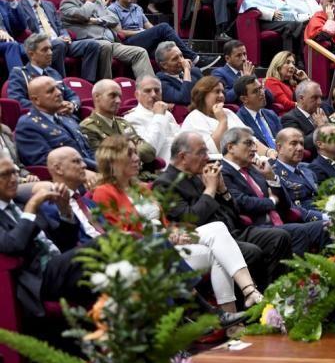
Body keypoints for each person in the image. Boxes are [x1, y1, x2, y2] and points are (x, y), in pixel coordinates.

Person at [91, 135, 260, 315]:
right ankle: (238, 306)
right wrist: (165, 237)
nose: (137, 158)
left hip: (170, 245)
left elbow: (164, 223)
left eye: (136, 153)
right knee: (218, 246)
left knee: (218, 235)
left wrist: (175, 232)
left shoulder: (141, 188)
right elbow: (121, 236)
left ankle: (237, 308)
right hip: (149, 256)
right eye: (130, 153)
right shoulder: (103, 192)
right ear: (113, 159)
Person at [156, 131, 292, 289]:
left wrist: (223, 191)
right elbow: (191, 218)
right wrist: (211, 190)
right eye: (201, 152)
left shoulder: (198, 173)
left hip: (234, 230)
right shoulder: (165, 183)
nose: (207, 157)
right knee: (251, 252)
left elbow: (234, 213)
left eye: (206, 151)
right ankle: (255, 305)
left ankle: (277, 293)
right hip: (209, 241)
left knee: (279, 237)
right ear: (183, 157)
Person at [0, 155, 94, 318]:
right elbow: (13, 246)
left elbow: (65, 241)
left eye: (15, 172)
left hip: (59, 265)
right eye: (5, 174)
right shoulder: (29, 204)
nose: (14, 179)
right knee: (108, 246)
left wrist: (65, 211)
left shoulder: (20, 202)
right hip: (38, 278)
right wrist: (31, 209)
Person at [221, 127, 329, 257]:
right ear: (231, 147)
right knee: (304, 231)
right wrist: (272, 201)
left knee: (327, 226)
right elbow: (242, 202)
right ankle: (298, 274)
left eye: (254, 144)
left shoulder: (255, 169)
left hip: (279, 224)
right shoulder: (223, 171)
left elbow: (285, 204)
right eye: (248, 143)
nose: (255, 149)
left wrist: (271, 178)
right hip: (255, 228)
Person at [60, 0, 155, 80]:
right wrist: (89, 2)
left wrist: (96, 20)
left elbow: (114, 19)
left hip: (112, 42)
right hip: (91, 42)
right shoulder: (67, 4)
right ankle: (106, 87)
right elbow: (83, 15)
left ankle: (148, 89)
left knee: (140, 53)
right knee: (106, 46)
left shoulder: (98, 3)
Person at [107, 0, 217, 69]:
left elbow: (149, 26)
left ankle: (189, 70)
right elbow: (120, 33)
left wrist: (152, 33)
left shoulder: (137, 8)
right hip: (127, 44)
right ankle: (195, 58)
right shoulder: (112, 9)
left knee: (168, 49)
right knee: (163, 27)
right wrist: (142, 32)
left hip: (143, 40)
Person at [19, 0, 103, 82]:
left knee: (92, 45)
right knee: (59, 44)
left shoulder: (49, 5)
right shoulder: (19, 6)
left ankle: (87, 83)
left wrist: (65, 35)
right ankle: (60, 83)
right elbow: (26, 32)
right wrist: (51, 40)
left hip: (61, 41)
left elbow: (60, 26)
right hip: (41, 44)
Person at [15, 76, 96, 170]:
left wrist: (104, 167)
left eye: (58, 88)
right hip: (68, 177)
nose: (59, 93)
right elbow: (46, 162)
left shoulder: (67, 118)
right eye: (50, 91)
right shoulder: (28, 125)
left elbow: (87, 150)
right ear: (36, 100)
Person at [79, 79, 157, 172]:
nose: (118, 101)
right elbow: (104, 161)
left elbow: (149, 151)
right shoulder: (88, 127)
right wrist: (133, 151)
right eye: (112, 95)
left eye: (119, 96)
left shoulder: (123, 123)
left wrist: (122, 153)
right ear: (97, 97)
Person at [239, 0, 305, 56]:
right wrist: (271, 13)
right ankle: (289, 57)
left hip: (276, 20)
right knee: (292, 25)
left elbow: (282, 6)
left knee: (297, 25)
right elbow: (251, 7)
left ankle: (290, 57)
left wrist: (291, 14)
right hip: (263, 22)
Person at [7, 33, 80, 112]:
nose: (50, 53)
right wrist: (51, 108)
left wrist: (72, 105)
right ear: (32, 54)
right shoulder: (20, 74)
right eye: (45, 50)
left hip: (66, 118)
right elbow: (17, 100)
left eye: (50, 49)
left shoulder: (53, 72)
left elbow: (72, 95)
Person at [271, 128, 327, 223]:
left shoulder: (307, 168)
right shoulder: (274, 174)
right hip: (306, 223)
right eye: (294, 143)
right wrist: (324, 217)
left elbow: (320, 197)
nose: (300, 148)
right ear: (279, 148)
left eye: (301, 144)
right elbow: (291, 210)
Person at [180, 76, 246, 154]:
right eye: (217, 91)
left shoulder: (228, 112)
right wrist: (223, 121)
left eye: (223, 92)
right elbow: (213, 149)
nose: (222, 96)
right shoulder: (194, 118)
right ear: (202, 94)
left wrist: (264, 154)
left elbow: (249, 138)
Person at [125, 75, 180, 165]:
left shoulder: (167, 114)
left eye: (157, 90)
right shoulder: (132, 118)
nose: (154, 94)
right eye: (148, 91)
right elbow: (150, 151)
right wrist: (159, 116)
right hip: (159, 169)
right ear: (137, 95)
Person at [281, 79, 330, 155]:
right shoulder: (289, 118)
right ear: (301, 98)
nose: (319, 102)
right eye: (315, 97)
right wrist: (321, 128)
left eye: (321, 97)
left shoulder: (322, 112)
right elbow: (303, 145)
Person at [234, 75, 281, 152]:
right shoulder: (239, 120)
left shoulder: (271, 114)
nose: (262, 93)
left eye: (261, 88)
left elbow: (282, 139)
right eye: (256, 91)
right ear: (244, 99)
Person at [155, 41, 203, 105]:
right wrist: (186, 70)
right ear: (164, 65)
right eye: (175, 59)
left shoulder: (194, 71)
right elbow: (185, 99)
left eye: (181, 56)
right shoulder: (160, 82)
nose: (181, 61)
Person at [0, 0, 28, 71]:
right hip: (9, 44)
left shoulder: (3, 4)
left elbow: (21, 26)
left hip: (7, 42)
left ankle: (48, 82)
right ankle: (19, 81)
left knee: (38, 48)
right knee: (12, 45)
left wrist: (12, 1)